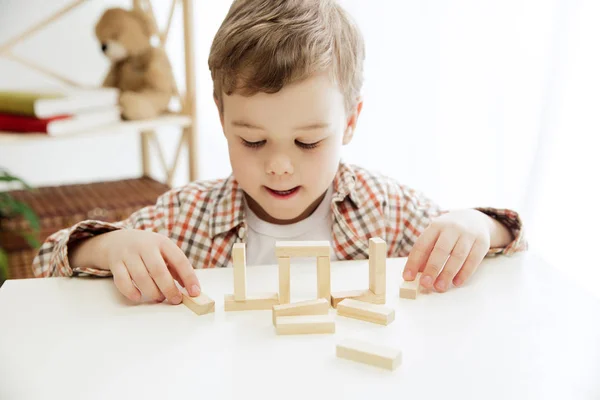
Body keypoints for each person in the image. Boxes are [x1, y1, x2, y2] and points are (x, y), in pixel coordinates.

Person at [32, 0, 527, 306]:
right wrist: (106, 247)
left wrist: (477, 225)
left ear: (350, 122)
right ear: (222, 118)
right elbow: (46, 261)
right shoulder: (189, 216)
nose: (280, 165)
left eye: (309, 142)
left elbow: (508, 244)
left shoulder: (385, 211)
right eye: (252, 140)